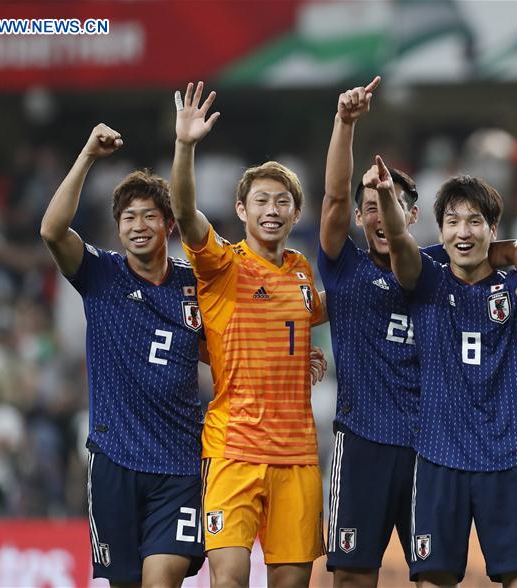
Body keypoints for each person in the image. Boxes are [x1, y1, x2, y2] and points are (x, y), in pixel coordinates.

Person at [319, 79, 517, 588]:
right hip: (363, 442)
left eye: (393, 204)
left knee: (434, 577)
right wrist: (346, 123)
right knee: (353, 576)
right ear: (359, 216)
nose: (381, 213)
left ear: (414, 215)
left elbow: (503, 246)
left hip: (432, 449)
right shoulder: (343, 267)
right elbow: (333, 197)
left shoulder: (441, 262)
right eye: (372, 204)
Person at [368, 155, 517, 587]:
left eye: (474, 222)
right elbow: (397, 238)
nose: (462, 232)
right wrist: (386, 197)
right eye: (452, 221)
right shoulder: (425, 282)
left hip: (506, 459)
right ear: (440, 230)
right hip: (438, 459)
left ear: (492, 230)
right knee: (434, 580)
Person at [170, 82, 326, 588]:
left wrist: (304, 354)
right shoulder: (222, 265)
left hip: (297, 453)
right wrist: (186, 145)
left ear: (296, 214)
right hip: (234, 447)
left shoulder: (302, 271)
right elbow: (186, 214)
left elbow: (312, 317)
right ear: (242, 211)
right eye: (261, 200)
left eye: (283, 201)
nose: (272, 209)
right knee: (230, 578)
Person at [39, 124, 206, 587]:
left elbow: (223, 348)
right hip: (114, 459)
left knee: (161, 580)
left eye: (149, 216)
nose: (138, 226)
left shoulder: (195, 284)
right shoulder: (100, 274)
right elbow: (52, 229)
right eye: (128, 218)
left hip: (180, 463)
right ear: (118, 227)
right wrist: (88, 154)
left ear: (168, 225)